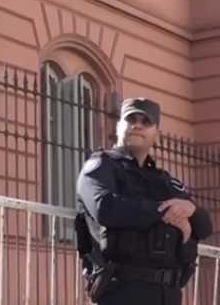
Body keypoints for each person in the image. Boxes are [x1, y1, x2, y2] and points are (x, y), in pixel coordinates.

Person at [76, 98, 213, 305]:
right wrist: (165, 211)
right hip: (122, 291)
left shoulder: (165, 181)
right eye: (131, 119)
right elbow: (105, 208)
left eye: (146, 121)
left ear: (156, 134)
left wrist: (190, 209)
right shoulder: (100, 166)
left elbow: (204, 227)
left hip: (168, 293)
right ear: (118, 126)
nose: (137, 125)